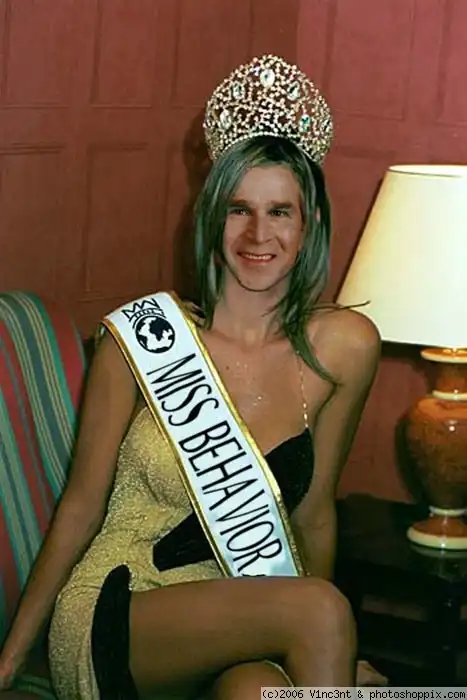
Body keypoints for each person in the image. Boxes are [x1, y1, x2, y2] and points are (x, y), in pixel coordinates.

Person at [0, 55, 382, 699]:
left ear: (309, 222)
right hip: (119, 606)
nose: (258, 233)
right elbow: (81, 505)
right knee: (320, 609)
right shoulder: (144, 339)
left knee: (261, 690)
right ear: (212, 217)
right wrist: (11, 657)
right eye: (239, 209)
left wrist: (330, 656)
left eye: (280, 211)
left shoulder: (344, 347)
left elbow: (315, 513)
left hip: (241, 610)